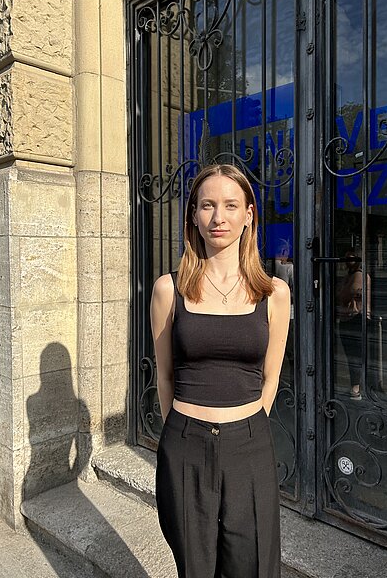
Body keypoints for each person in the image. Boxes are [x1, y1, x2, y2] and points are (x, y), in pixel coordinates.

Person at [150, 163, 291, 578]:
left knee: (254, 566)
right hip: (185, 447)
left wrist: (245, 428)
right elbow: (164, 376)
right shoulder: (168, 289)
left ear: (248, 215)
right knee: (195, 568)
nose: (218, 217)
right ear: (193, 215)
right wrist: (181, 433)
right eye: (207, 205)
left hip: (250, 446)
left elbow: (271, 377)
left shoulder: (274, 293)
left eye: (230, 205)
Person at [336, 251, 371, 400]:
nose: (347, 262)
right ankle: (356, 386)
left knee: (355, 356)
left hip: (354, 318)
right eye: (346, 259)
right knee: (353, 356)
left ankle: (357, 387)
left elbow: (344, 295)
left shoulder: (358, 276)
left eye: (351, 259)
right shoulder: (350, 276)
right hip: (349, 318)